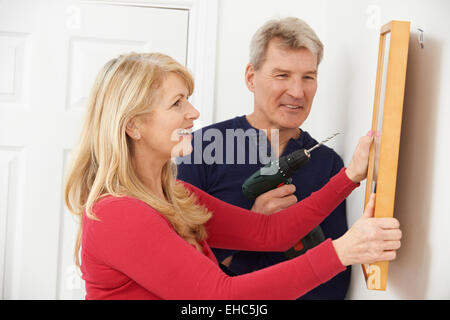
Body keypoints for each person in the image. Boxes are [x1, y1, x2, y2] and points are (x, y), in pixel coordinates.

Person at [64, 52, 402, 300]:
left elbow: (270, 233)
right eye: (177, 103)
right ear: (133, 125)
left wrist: (349, 176)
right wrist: (342, 252)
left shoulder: (177, 196)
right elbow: (221, 296)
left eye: (189, 101)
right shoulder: (118, 214)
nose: (193, 113)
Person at [177, 17, 352, 299]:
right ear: (251, 77)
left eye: (308, 77)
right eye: (282, 75)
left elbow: (335, 278)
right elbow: (180, 266)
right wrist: (254, 230)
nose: (297, 92)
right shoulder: (201, 149)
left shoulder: (327, 164)